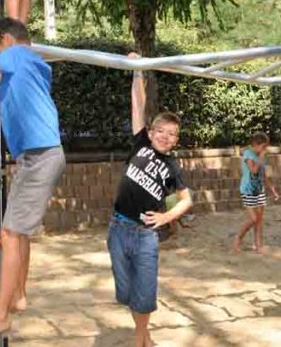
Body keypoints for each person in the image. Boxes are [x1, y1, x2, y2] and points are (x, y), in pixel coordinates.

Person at [0, 12, 66, 342]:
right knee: (19, 235)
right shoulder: (33, 64)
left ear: (5, 41)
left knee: (10, 235)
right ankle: (18, 294)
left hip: (39, 156)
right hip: (36, 156)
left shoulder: (16, 55)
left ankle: (0, 316)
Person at [108, 53, 192, 347]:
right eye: (161, 131)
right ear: (151, 131)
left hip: (145, 235)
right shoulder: (141, 142)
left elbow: (186, 200)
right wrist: (137, 72)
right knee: (128, 291)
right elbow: (138, 105)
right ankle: (145, 336)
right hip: (117, 228)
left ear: (176, 140)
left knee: (144, 291)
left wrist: (166, 218)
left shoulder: (172, 167)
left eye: (173, 135)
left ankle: (139, 339)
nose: (166, 137)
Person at [233, 131, 279, 253]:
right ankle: (238, 238)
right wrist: (260, 158)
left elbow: (263, 176)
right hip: (248, 190)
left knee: (259, 219)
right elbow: (253, 170)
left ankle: (258, 245)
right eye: (264, 146)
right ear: (255, 144)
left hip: (259, 191)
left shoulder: (261, 158)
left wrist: (272, 189)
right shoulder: (248, 154)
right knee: (253, 219)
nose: (265, 149)